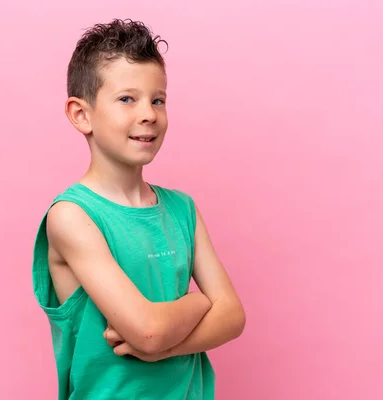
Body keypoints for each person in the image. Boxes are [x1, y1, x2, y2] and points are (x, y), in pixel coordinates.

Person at [32, 18, 246, 400]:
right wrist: (199, 302)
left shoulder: (183, 210)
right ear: (82, 115)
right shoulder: (72, 217)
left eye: (157, 99)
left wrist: (166, 344)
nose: (148, 113)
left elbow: (232, 317)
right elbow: (146, 330)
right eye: (127, 99)